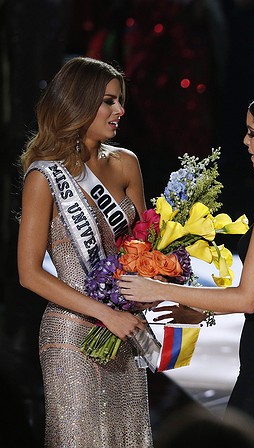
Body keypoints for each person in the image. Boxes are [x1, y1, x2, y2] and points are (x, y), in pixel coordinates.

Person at [120, 89, 254, 448]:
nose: (245, 141)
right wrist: (197, 310)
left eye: (252, 132)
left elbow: (249, 299)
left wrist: (158, 289)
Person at [17, 56, 152, 447]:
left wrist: (163, 283)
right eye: (109, 101)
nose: (120, 110)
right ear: (78, 103)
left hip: (125, 333)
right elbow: (29, 273)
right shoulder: (45, 176)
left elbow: (145, 246)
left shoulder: (127, 163)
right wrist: (105, 313)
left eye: (119, 100)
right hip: (71, 336)